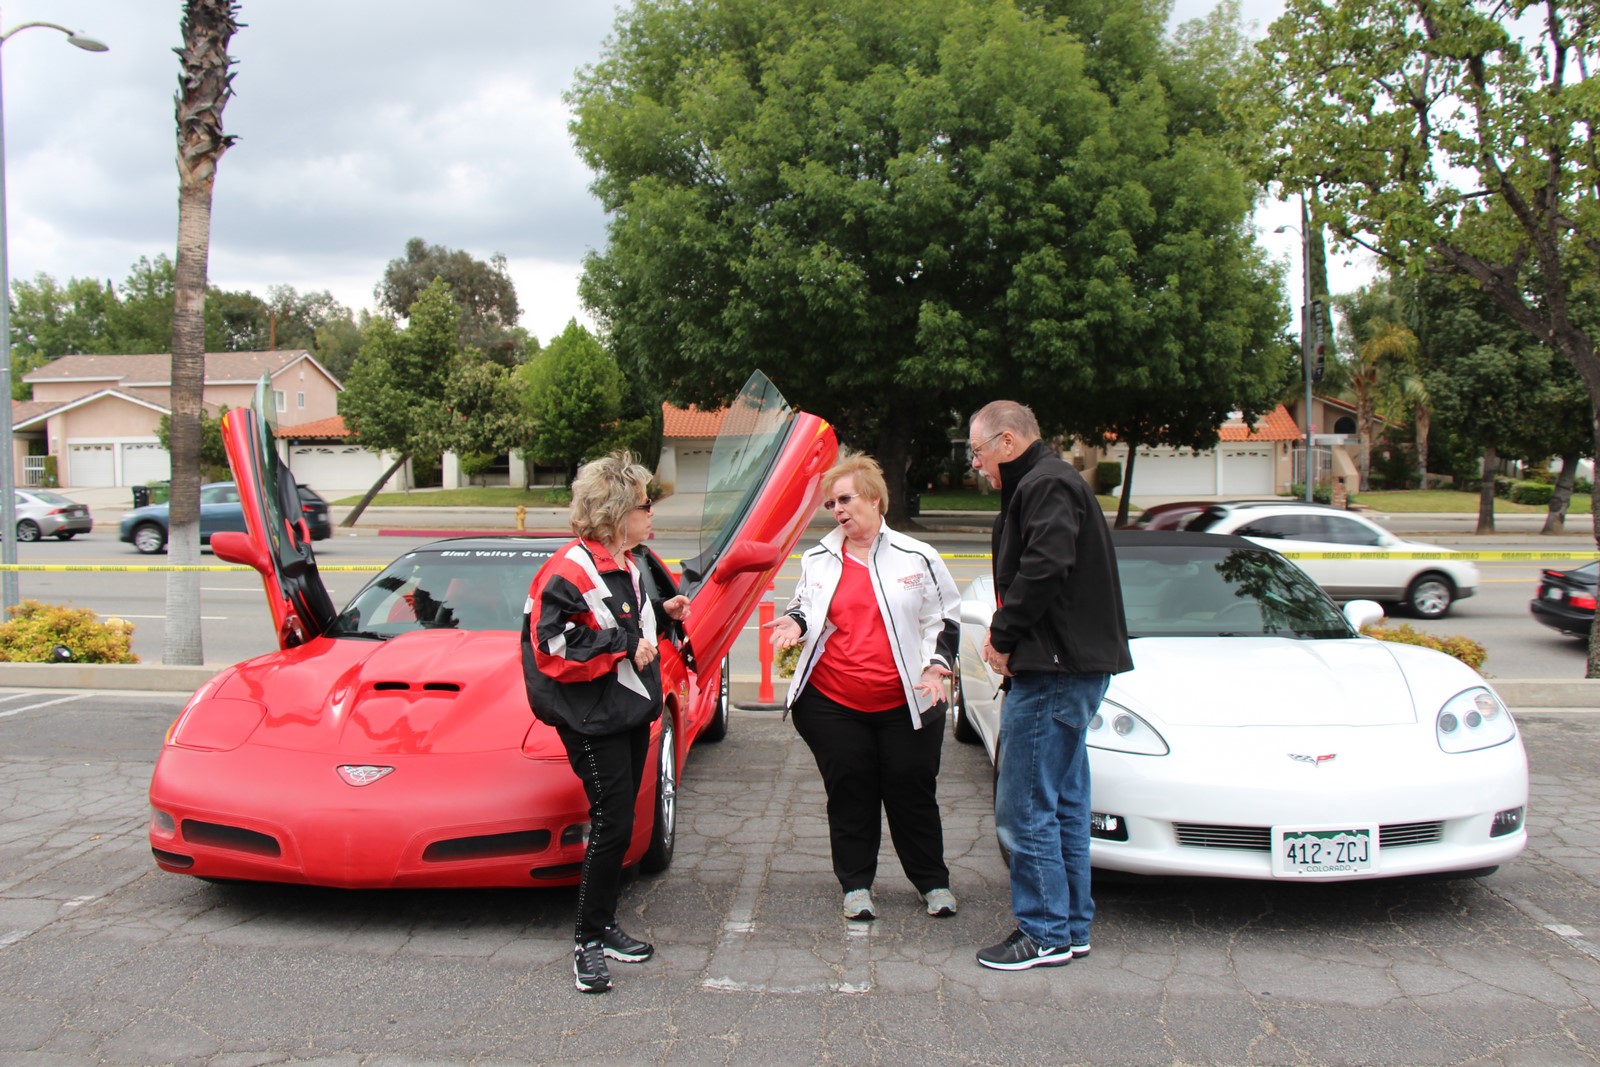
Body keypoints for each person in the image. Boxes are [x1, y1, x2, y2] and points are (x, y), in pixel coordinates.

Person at [966, 400, 1132, 971]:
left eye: (979, 452)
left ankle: (1043, 932)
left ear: (1007, 442)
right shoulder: (1049, 481)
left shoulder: (1043, 484)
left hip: (1054, 671)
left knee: (1026, 807)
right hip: (1069, 667)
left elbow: (1045, 564)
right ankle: (1069, 926)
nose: (978, 465)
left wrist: (1004, 635)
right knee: (1062, 803)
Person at [765, 453, 962, 922]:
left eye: (846, 498)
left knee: (910, 791)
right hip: (834, 702)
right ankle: (856, 886)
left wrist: (937, 666)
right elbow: (802, 606)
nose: (838, 509)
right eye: (831, 503)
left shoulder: (919, 557)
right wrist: (794, 624)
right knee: (851, 789)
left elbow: (945, 618)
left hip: (909, 702)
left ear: (875, 499)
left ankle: (932, 882)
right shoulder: (818, 557)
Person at [520, 451, 690, 995]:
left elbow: (620, 618)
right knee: (612, 824)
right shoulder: (569, 569)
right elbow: (550, 647)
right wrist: (622, 645)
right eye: (645, 506)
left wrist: (664, 615)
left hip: (627, 712)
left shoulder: (629, 561)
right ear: (618, 512)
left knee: (619, 823)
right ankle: (587, 943)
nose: (652, 514)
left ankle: (605, 926)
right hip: (593, 720)